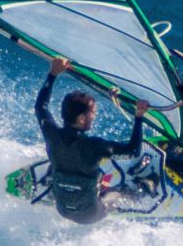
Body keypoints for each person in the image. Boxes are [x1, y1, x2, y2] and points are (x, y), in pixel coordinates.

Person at [35, 57, 148, 224]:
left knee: (57, 155)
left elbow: (40, 107)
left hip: (63, 209)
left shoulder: (51, 132)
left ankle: (51, 179)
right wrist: (139, 116)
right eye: (92, 112)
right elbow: (133, 151)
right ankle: (145, 187)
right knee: (116, 194)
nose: (94, 116)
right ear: (81, 118)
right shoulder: (94, 146)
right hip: (90, 215)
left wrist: (53, 74)